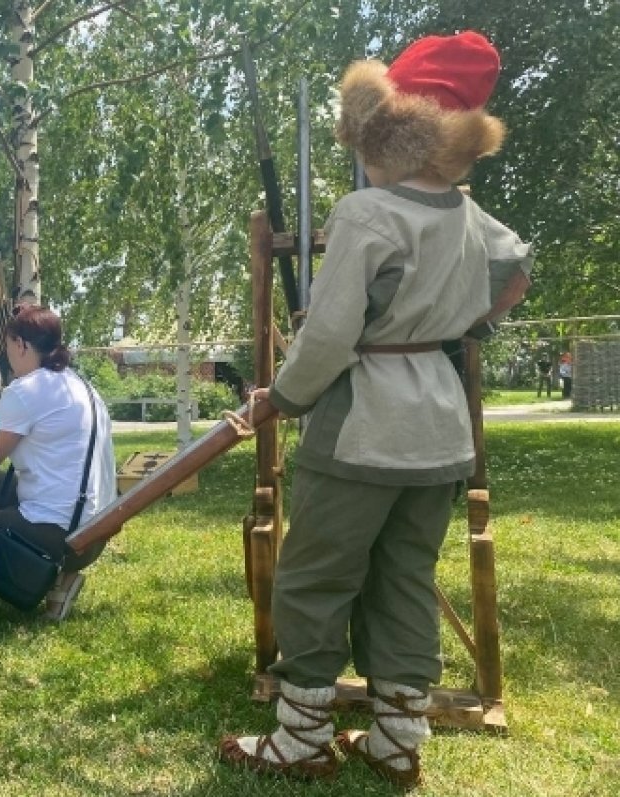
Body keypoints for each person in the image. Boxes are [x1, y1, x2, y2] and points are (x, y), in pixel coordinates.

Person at [219, 32, 533, 787]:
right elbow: (516, 270)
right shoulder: (466, 214)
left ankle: (302, 739)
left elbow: (327, 336)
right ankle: (396, 740)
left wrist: (282, 398)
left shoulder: (365, 213)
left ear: (386, 133)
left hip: (364, 424)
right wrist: (462, 325)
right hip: (439, 425)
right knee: (403, 578)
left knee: (316, 577)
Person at [0, 306, 117, 622]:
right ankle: (61, 580)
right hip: (97, 531)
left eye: (8, 349)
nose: (9, 359)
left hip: (61, 535)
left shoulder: (26, 391)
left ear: (20, 345)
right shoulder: (80, 384)